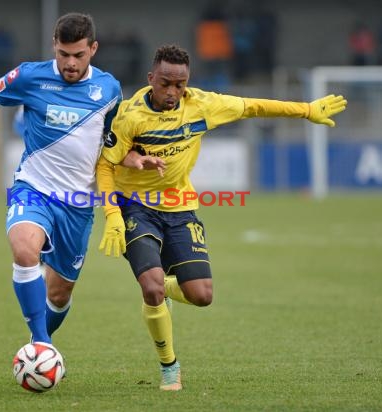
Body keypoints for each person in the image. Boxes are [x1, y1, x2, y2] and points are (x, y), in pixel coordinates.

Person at [96, 45, 346, 391]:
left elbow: (253, 106)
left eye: (180, 84)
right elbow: (106, 164)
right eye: (165, 83)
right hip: (135, 206)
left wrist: (306, 110)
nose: (172, 92)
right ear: (151, 78)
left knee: (201, 295)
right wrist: (112, 215)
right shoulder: (129, 116)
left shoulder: (202, 105)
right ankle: (169, 365)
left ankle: (163, 287)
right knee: (151, 288)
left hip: (181, 206)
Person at [0, 13, 122, 357]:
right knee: (23, 248)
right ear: (54, 46)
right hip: (33, 187)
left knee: (60, 293)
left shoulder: (109, 89)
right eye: (64, 54)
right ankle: (41, 344)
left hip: (78, 203)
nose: (70, 63)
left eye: (78, 55)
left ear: (93, 49)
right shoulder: (30, 76)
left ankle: (40, 340)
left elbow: (113, 140)